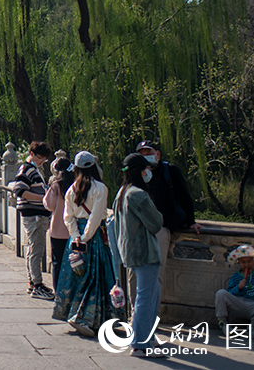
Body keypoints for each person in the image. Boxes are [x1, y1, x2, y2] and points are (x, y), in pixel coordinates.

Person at [53, 150, 122, 336]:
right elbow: (96, 216)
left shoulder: (71, 189)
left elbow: (68, 216)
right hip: (93, 239)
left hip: (74, 240)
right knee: (94, 278)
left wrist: (75, 237)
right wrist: (85, 238)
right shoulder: (100, 188)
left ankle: (73, 313)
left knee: (77, 277)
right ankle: (85, 317)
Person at [114, 153, 164, 357]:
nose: (149, 172)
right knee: (146, 296)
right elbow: (156, 222)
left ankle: (146, 338)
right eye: (146, 169)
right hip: (145, 252)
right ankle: (141, 344)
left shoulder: (122, 193)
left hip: (129, 252)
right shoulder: (138, 194)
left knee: (150, 294)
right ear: (139, 171)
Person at [134, 141, 201, 291]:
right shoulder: (139, 173)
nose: (146, 157)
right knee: (136, 274)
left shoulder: (169, 170)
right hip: (141, 228)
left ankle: (153, 312)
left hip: (161, 227)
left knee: (156, 273)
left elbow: (184, 195)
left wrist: (191, 220)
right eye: (142, 155)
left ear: (157, 154)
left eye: (149, 153)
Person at [9, 140, 55, 301]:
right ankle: (37, 283)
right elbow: (19, 190)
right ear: (32, 154)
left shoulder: (33, 169)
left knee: (34, 247)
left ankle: (33, 282)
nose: (42, 162)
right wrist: (43, 198)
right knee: (36, 248)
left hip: (36, 213)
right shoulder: (27, 169)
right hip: (34, 214)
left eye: (44, 159)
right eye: (40, 158)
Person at [215, 244, 254, 329]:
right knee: (221, 293)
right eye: (243, 262)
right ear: (239, 262)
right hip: (239, 304)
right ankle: (223, 322)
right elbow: (229, 293)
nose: (247, 265)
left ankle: (253, 327)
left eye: (249, 261)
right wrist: (238, 287)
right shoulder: (235, 276)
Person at [42, 157, 74, 292]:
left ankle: (58, 290)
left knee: (57, 261)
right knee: (73, 261)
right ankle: (71, 288)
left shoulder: (56, 185)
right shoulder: (75, 184)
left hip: (57, 229)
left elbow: (49, 205)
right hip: (73, 229)